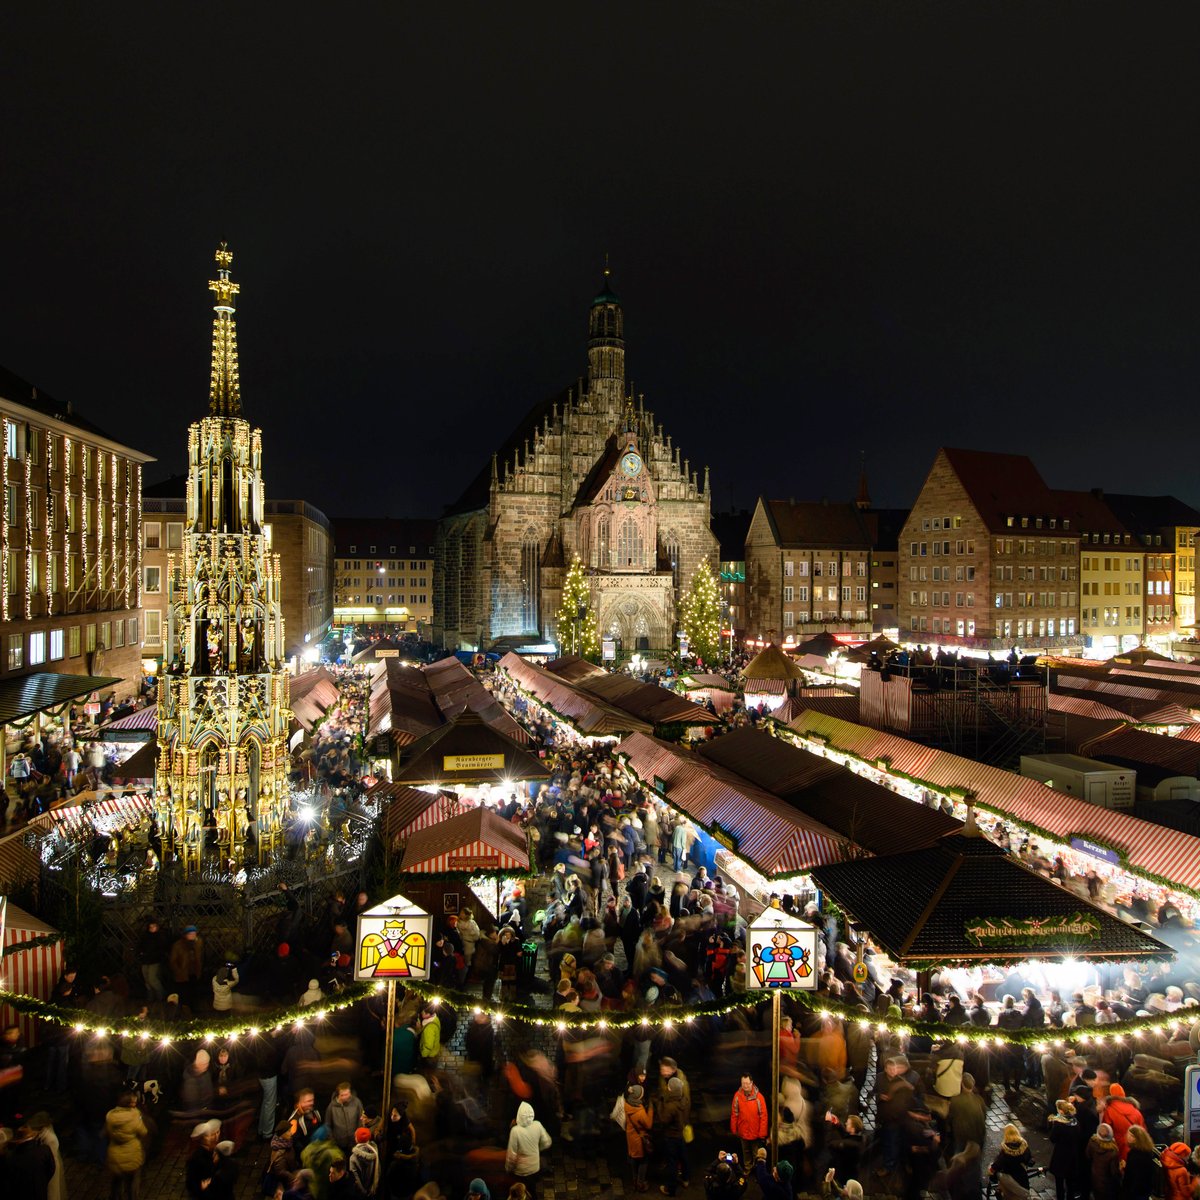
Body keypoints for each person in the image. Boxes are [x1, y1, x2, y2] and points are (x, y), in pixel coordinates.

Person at [105, 1091, 150, 1200]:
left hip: (115, 1155)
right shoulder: (135, 1116)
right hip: (132, 1155)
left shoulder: (110, 1115)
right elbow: (143, 1132)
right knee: (131, 1184)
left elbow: (108, 1132)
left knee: (116, 1181)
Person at [506, 1100, 552, 1199]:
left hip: (520, 1171)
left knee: (521, 1192)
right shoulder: (537, 1125)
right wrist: (536, 1149)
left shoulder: (515, 1131)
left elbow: (512, 1156)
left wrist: (508, 1169)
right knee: (532, 1189)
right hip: (535, 1167)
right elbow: (547, 1142)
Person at [657, 1074, 690, 1196]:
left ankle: (670, 1189)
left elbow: (663, 1119)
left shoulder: (671, 1106)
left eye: (669, 1087)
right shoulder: (684, 1100)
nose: (667, 1088)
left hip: (671, 1136)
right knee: (683, 1157)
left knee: (672, 1162)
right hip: (680, 1134)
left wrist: (660, 1104)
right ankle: (686, 1179)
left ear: (671, 1089)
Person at [4, 1123, 57, 1200]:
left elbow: (10, 1182)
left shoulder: (12, 1158)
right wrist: (42, 1181)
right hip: (40, 1191)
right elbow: (51, 1169)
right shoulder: (44, 1150)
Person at [730, 1074, 768, 1169]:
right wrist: (734, 1129)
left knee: (756, 1154)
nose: (745, 1086)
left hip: (755, 1133)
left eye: (747, 1083)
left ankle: (758, 1172)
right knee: (746, 1152)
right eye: (743, 1083)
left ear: (752, 1083)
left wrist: (762, 1133)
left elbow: (764, 1116)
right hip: (743, 1131)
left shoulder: (759, 1097)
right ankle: (748, 1168)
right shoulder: (737, 1096)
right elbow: (734, 1113)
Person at [1101, 1085, 1145, 1162]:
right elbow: (1142, 1129)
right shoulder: (1135, 1110)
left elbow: (1105, 1130)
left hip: (1117, 1144)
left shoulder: (1109, 1110)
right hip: (1134, 1143)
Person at [624, 1084, 654, 1194]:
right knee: (643, 1161)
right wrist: (650, 1110)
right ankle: (640, 1182)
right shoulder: (639, 1112)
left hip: (630, 1137)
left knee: (633, 1158)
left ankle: (634, 1179)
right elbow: (648, 1124)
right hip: (639, 1140)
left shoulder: (627, 1104)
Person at [1047, 1099, 1080, 1200]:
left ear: (1061, 1111)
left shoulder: (1059, 1125)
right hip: (1073, 1155)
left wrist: (1052, 1124)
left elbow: (1053, 1138)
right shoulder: (1075, 1122)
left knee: (1059, 1182)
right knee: (1070, 1181)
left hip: (1061, 1155)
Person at [990, 1125, 1035, 1194]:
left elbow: (998, 1164)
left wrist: (991, 1171)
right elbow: (1029, 1160)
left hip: (1009, 1179)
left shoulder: (1005, 1150)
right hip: (1022, 1180)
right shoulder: (1024, 1146)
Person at [327, 1082, 365, 1155]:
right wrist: (332, 1141)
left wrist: (359, 1137)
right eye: (342, 1095)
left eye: (347, 1094)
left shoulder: (357, 1102)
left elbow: (361, 1119)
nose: (345, 1097)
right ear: (338, 1095)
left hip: (354, 1141)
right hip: (338, 1143)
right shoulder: (332, 1107)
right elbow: (328, 1124)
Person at [136, 918, 169, 1002]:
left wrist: (155, 955)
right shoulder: (145, 936)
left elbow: (162, 949)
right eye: (150, 927)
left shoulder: (160, 937)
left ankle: (161, 995)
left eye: (154, 926)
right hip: (145, 960)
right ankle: (151, 996)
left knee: (152, 979)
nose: (152, 928)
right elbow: (140, 946)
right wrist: (141, 953)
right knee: (147, 980)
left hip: (155, 961)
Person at [1121, 1126, 1157, 1200]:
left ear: (1138, 1138)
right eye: (1128, 1134)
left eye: (1132, 1136)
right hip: (1143, 1190)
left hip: (1136, 1192)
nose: (1128, 1137)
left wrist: (1129, 1194)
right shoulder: (1145, 1151)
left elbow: (1136, 1176)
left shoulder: (1137, 1155)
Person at [349, 1126, 381, 1197]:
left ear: (357, 1139)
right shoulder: (375, 1152)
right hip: (373, 1190)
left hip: (360, 1193)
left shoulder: (353, 1158)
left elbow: (355, 1178)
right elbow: (378, 1170)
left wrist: (363, 1192)